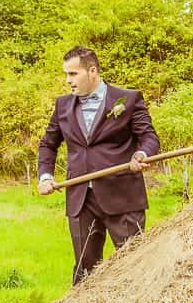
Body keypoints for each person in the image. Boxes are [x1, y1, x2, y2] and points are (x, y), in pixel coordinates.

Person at [38, 46, 160, 285]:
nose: (67, 80)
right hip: (81, 199)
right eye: (66, 74)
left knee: (134, 267)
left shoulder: (129, 99)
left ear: (92, 71)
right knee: (85, 272)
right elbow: (48, 144)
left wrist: (142, 153)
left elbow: (149, 137)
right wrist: (45, 176)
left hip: (122, 195)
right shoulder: (62, 105)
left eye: (73, 74)